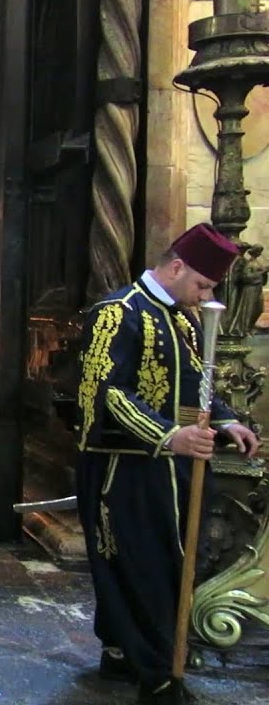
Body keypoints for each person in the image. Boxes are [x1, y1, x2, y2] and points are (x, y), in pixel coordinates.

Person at [75, 223, 258, 705]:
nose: (204, 296)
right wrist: (168, 435)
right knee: (142, 564)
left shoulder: (184, 319)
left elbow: (199, 379)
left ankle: (121, 652)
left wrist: (225, 420)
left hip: (177, 462)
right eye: (202, 285)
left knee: (169, 559)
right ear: (176, 266)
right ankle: (157, 672)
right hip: (126, 464)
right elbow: (107, 393)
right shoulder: (118, 313)